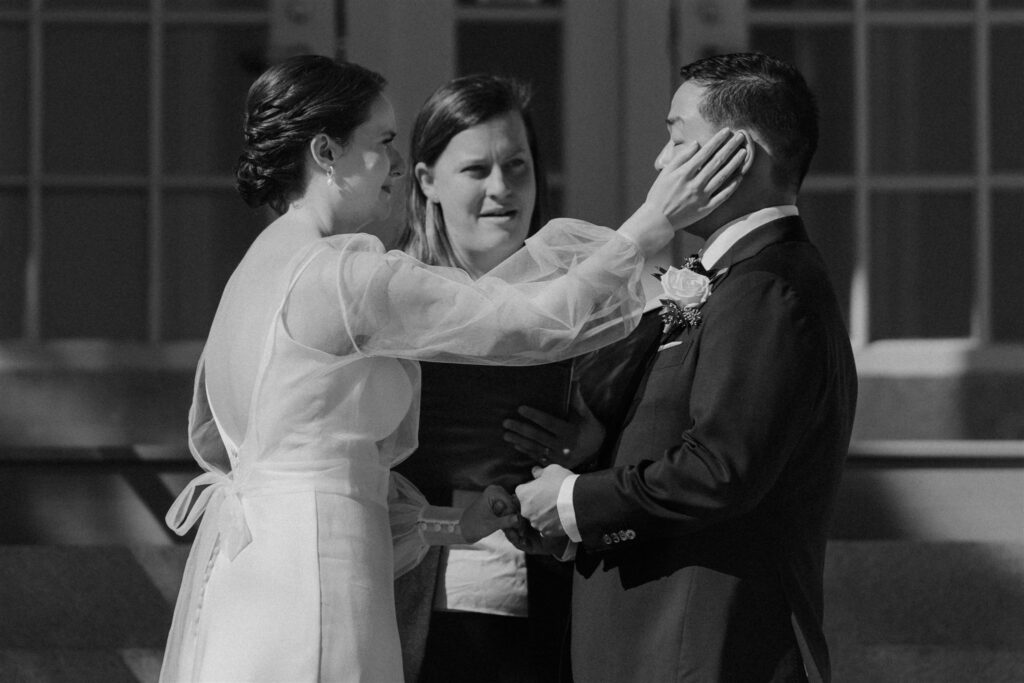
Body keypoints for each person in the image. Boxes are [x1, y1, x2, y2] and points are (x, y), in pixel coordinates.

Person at [158, 55, 748, 682]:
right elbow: (527, 322)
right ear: (326, 151)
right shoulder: (339, 273)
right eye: (382, 143)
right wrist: (652, 223)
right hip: (322, 579)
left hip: (252, 580)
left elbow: (303, 456)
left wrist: (448, 522)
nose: (392, 165)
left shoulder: (254, 269)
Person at [513, 52, 858, 682]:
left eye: (676, 139)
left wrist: (574, 501)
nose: (659, 162)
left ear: (736, 155)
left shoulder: (770, 289)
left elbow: (719, 468)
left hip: (706, 652)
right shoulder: (727, 281)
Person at [391, 74, 599, 683]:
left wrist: (591, 447)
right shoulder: (388, 298)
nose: (502, 188)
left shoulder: (584, 301)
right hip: (406, 593)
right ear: (427, 180)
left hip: (555, 600)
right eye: (476, 170)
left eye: (517, 165)